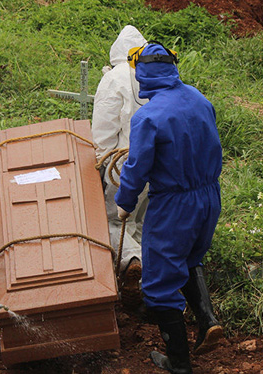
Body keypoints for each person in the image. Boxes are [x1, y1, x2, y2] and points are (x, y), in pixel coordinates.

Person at [115, 43, 224, 373]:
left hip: (174, 205)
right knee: (190, 257)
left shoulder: (148, 116)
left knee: (159, 282)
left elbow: (137, 168)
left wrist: (125, 203)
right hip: (209, 198)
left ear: (142, 74)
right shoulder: (199, 99)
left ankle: (178, 362)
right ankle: (207, 320)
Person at [91, 25, 149, 308]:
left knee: (115, 219)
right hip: (157, 164)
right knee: (140, 221)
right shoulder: (155, 74)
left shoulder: (114, 78)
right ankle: (143, 283)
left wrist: (101, 163)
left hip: (123, 164)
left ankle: (131, 263)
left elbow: (103, 130)